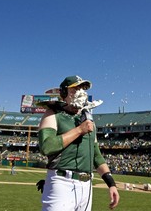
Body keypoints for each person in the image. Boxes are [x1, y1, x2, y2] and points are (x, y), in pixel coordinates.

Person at [38, 75, 119, 211]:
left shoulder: (88, 119)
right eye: (75, 89)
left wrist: (111, 183)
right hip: (62, 182)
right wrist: (79, 130)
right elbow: (46, 147)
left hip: (87, 186)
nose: (80, 92)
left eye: (83, 88)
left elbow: (96, 156)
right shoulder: (52, 113)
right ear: (63, 93)